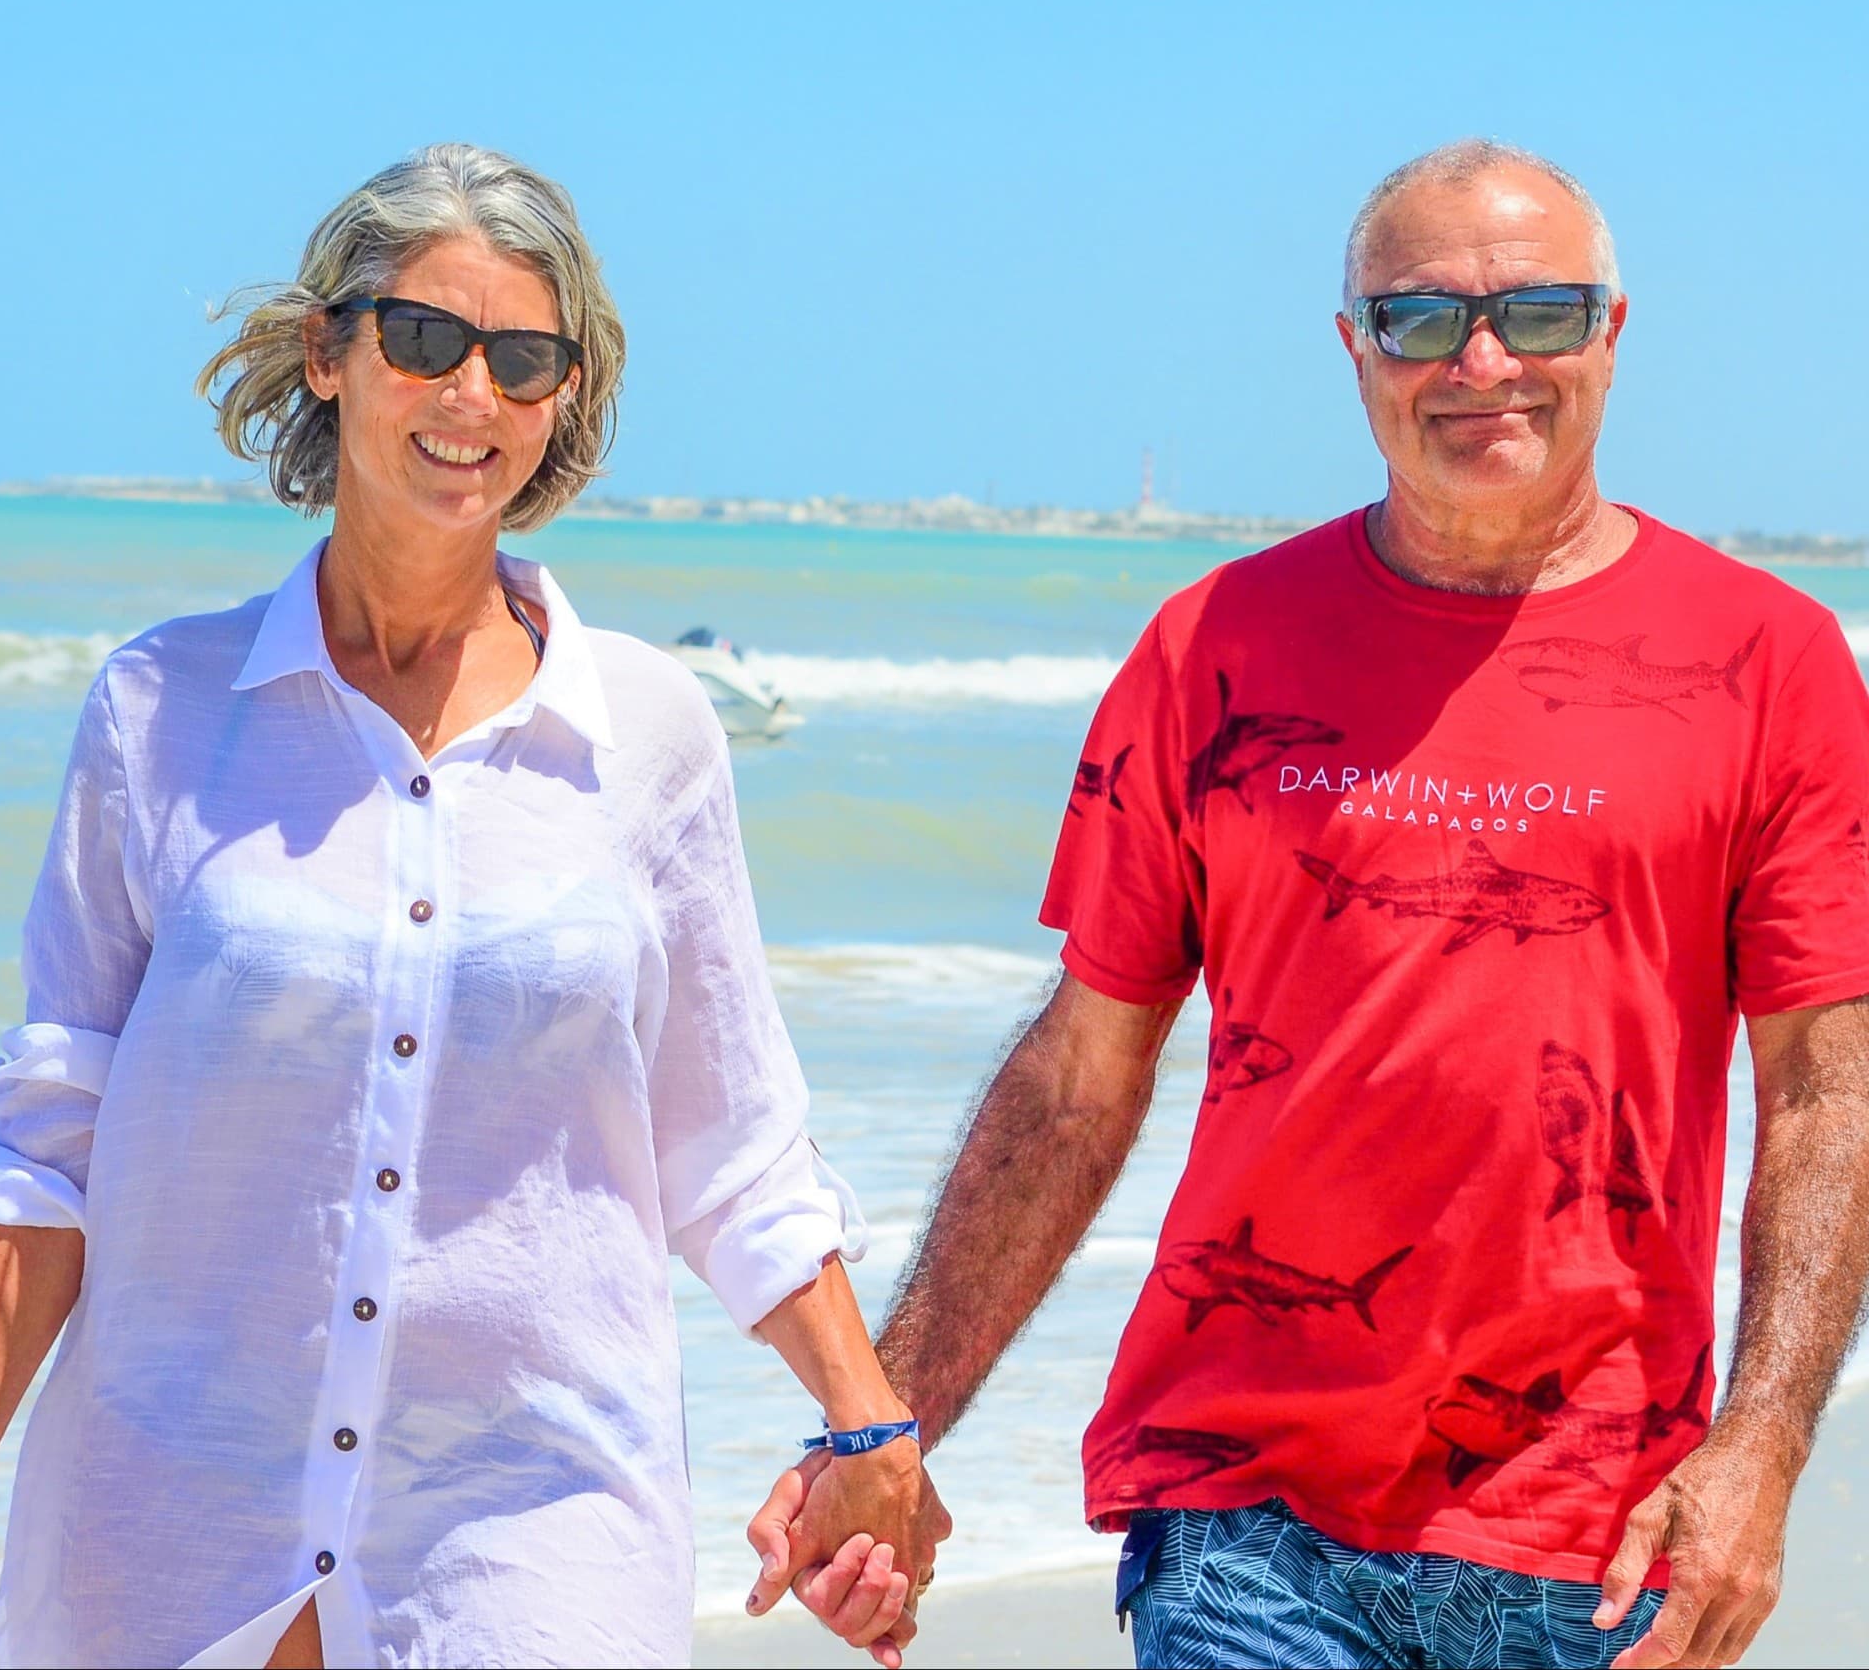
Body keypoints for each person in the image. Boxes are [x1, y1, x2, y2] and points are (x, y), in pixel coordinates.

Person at [751, 140, 1869, 1669]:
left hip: (1599, 1524)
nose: (1483, 363)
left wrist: (1764, 1450)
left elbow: (1823, 1093)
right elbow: (1082, 1071)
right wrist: (886, 1420)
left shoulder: (1770, 661)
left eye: (1538, 315)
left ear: (1613, 334)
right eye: (1421, 319)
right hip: (1244, 1509)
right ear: (1355, 349)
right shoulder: (1214, 646)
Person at [0, 144, 945, 1670]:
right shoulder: (159, 711)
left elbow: (737, 1140)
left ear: (566, 395)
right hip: (167, 1519)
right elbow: (51, 1143)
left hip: (541, 1522)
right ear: (331, 352)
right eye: (426, 340)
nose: (471, 399)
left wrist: (871, 1428)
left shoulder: (647, 733)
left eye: (524, 361)